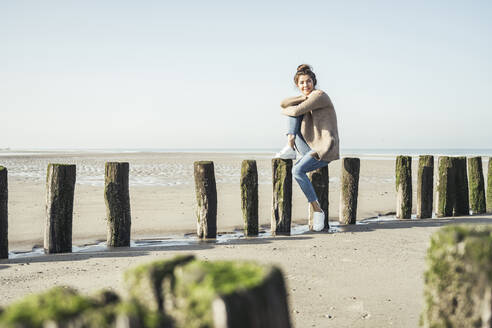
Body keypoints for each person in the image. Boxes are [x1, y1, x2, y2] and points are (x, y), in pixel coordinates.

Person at [275, 64, 340, 231]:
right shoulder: (307, 97)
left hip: (324, 148)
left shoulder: (320, 95)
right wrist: (302, 97)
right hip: (309, 146)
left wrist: (299, 102)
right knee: (292, 111)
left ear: (314, 82)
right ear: (298, 85)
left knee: (297, 171)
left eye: (309, 81)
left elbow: (292, 110)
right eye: (302, 83)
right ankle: (290, 145)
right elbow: (283, 103)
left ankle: (317, 210)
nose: (306, 85)